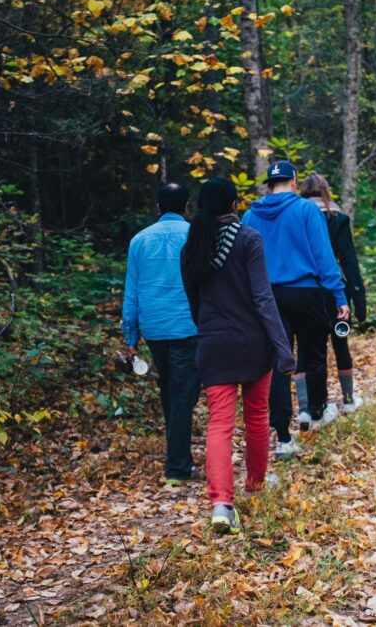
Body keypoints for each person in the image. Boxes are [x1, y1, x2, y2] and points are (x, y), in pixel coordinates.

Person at [180, 177, 294, 534]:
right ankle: (256, 485)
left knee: (219, 424)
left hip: (213, 345)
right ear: (233, 205)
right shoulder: (248, 239)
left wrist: (211, 329)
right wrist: (282, 346)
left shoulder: (192, 248)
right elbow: (263, 297)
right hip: (252, 344)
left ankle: (221, 504)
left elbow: (194, 303)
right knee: (257, 417)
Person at [242, 160, 350, 461]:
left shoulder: (251, 215)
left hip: (267, 296)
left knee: (278, 362)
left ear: (268, 184)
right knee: (313, 353)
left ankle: (283, 437)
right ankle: (315, 413)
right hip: (306, 292)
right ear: (293, 181)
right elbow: (323, 255)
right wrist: (338, 294)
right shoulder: (306, 210)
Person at [122, 182, 201, 486]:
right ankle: (178, 466)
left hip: (154, 328)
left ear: (158, 207)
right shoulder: (195, 236)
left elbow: (132, 292)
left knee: (170, 389)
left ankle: (179, 456)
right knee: (183, 394)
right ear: (187, 206)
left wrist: (131, 336)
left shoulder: (139, 240)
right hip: (187, 326)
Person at [297, 173, 367, 413]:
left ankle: (307, 407)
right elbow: (348, 260)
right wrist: (359, 298)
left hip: (304, 290)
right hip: (336, 291)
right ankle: (348, 400)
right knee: (340, 343)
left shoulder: (296, 217)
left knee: (306, 348)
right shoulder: (338, 218)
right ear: (326, 191)